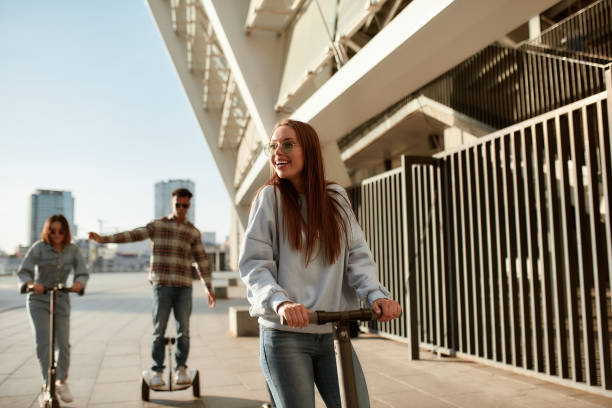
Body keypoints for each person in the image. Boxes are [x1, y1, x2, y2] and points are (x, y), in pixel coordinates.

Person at [239, 119, 402, 408]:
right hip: (284, 335)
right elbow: (255, 265)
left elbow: (357, 256)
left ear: (310, 150)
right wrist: (280, 303)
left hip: (332, 333)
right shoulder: (269, 199)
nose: (278, 151)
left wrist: (377, 295)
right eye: (273, 146)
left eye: (288, 144)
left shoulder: (336, 198)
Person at [88, 188, 216, 387]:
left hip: (184, 287)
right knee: (159, 330)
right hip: (162, 285)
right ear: (172, 204)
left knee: (184, 330)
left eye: (185, 206)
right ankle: (157, 371)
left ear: (189, 206)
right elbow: (132, 235)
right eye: (178, 205)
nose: (181, 209)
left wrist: (208, 287)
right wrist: (104, 239)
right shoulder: (158, 226)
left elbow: (202, 261)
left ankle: (181, 369)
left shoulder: (193, 232)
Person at [17, 214, 89, 404]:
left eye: (61, 231)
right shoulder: (39, 248)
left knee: (63, 344)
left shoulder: (73, 250)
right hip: (39, 300)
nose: (56, 234)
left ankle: (61, 380)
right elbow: (24, 271)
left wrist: (78, 284)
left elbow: (82, 272)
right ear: (47, 231)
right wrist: (31, 284)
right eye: (53, 230)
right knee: (44, 343)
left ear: (66, 232)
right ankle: (47, 384)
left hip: (61, 298)